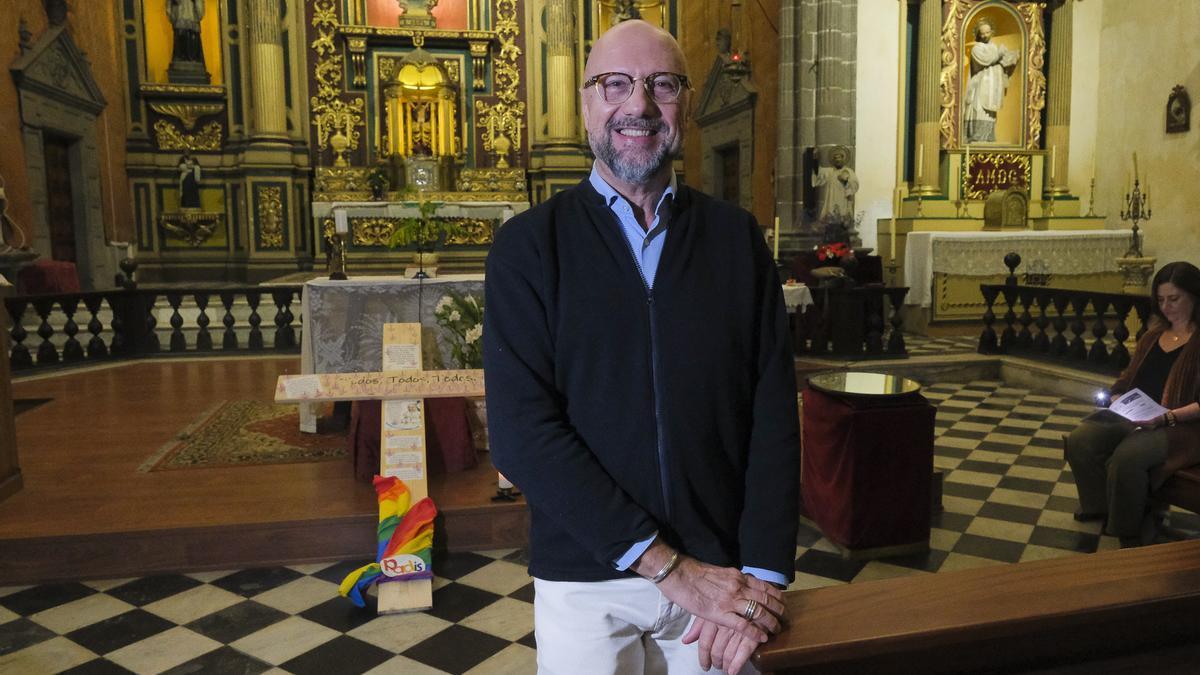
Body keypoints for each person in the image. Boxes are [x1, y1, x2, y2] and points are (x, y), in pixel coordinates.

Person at [483, 19, 798, 675]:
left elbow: (773, 418)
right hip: (586, 575)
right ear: (586, 104)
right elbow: (522, 434)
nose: (640, 105)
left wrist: (763, 576)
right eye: (615, 84)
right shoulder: (529, 248)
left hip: (721, 576)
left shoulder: (737, 240)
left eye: (661, 84)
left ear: (683, 102)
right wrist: (664, 564)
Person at [1066, 261, 1200, 547]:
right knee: (1081, 440)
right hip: (1137, 414)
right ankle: (1099, 506)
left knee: (1127, 457)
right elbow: (1129, 377)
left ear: (1195, 296)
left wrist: (1165, 418)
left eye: (1174, 299)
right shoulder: (1152, 335)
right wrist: (1116, 396)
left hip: (1183, 427)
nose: (1166, 307)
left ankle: (1126, 527)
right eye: (1161, 300)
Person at [963, 17, 1019, 143]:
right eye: (982, 33)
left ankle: (988, 136)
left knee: (990, 112)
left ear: (991, 32)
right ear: (978, 34)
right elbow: (986, 60)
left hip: (993, 86)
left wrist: (1011, 57)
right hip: (980, 84)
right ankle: (976, 137)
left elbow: (1000, 60)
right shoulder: (977, 48)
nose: (985, 36)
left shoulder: (994, 46)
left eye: (987, 32)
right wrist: (999, 54)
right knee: (979, 109)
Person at [811, 146, 858, 230]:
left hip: (843, 200)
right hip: (831, 200)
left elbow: (854, 186)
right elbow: (818, 173)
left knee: (842, 220)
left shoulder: (849, 171)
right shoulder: (829, 171)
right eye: (835, 158)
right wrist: (815, 160)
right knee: (830, 220)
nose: (837, 160)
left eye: (839, 157)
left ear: (843, 159)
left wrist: (845, 181)